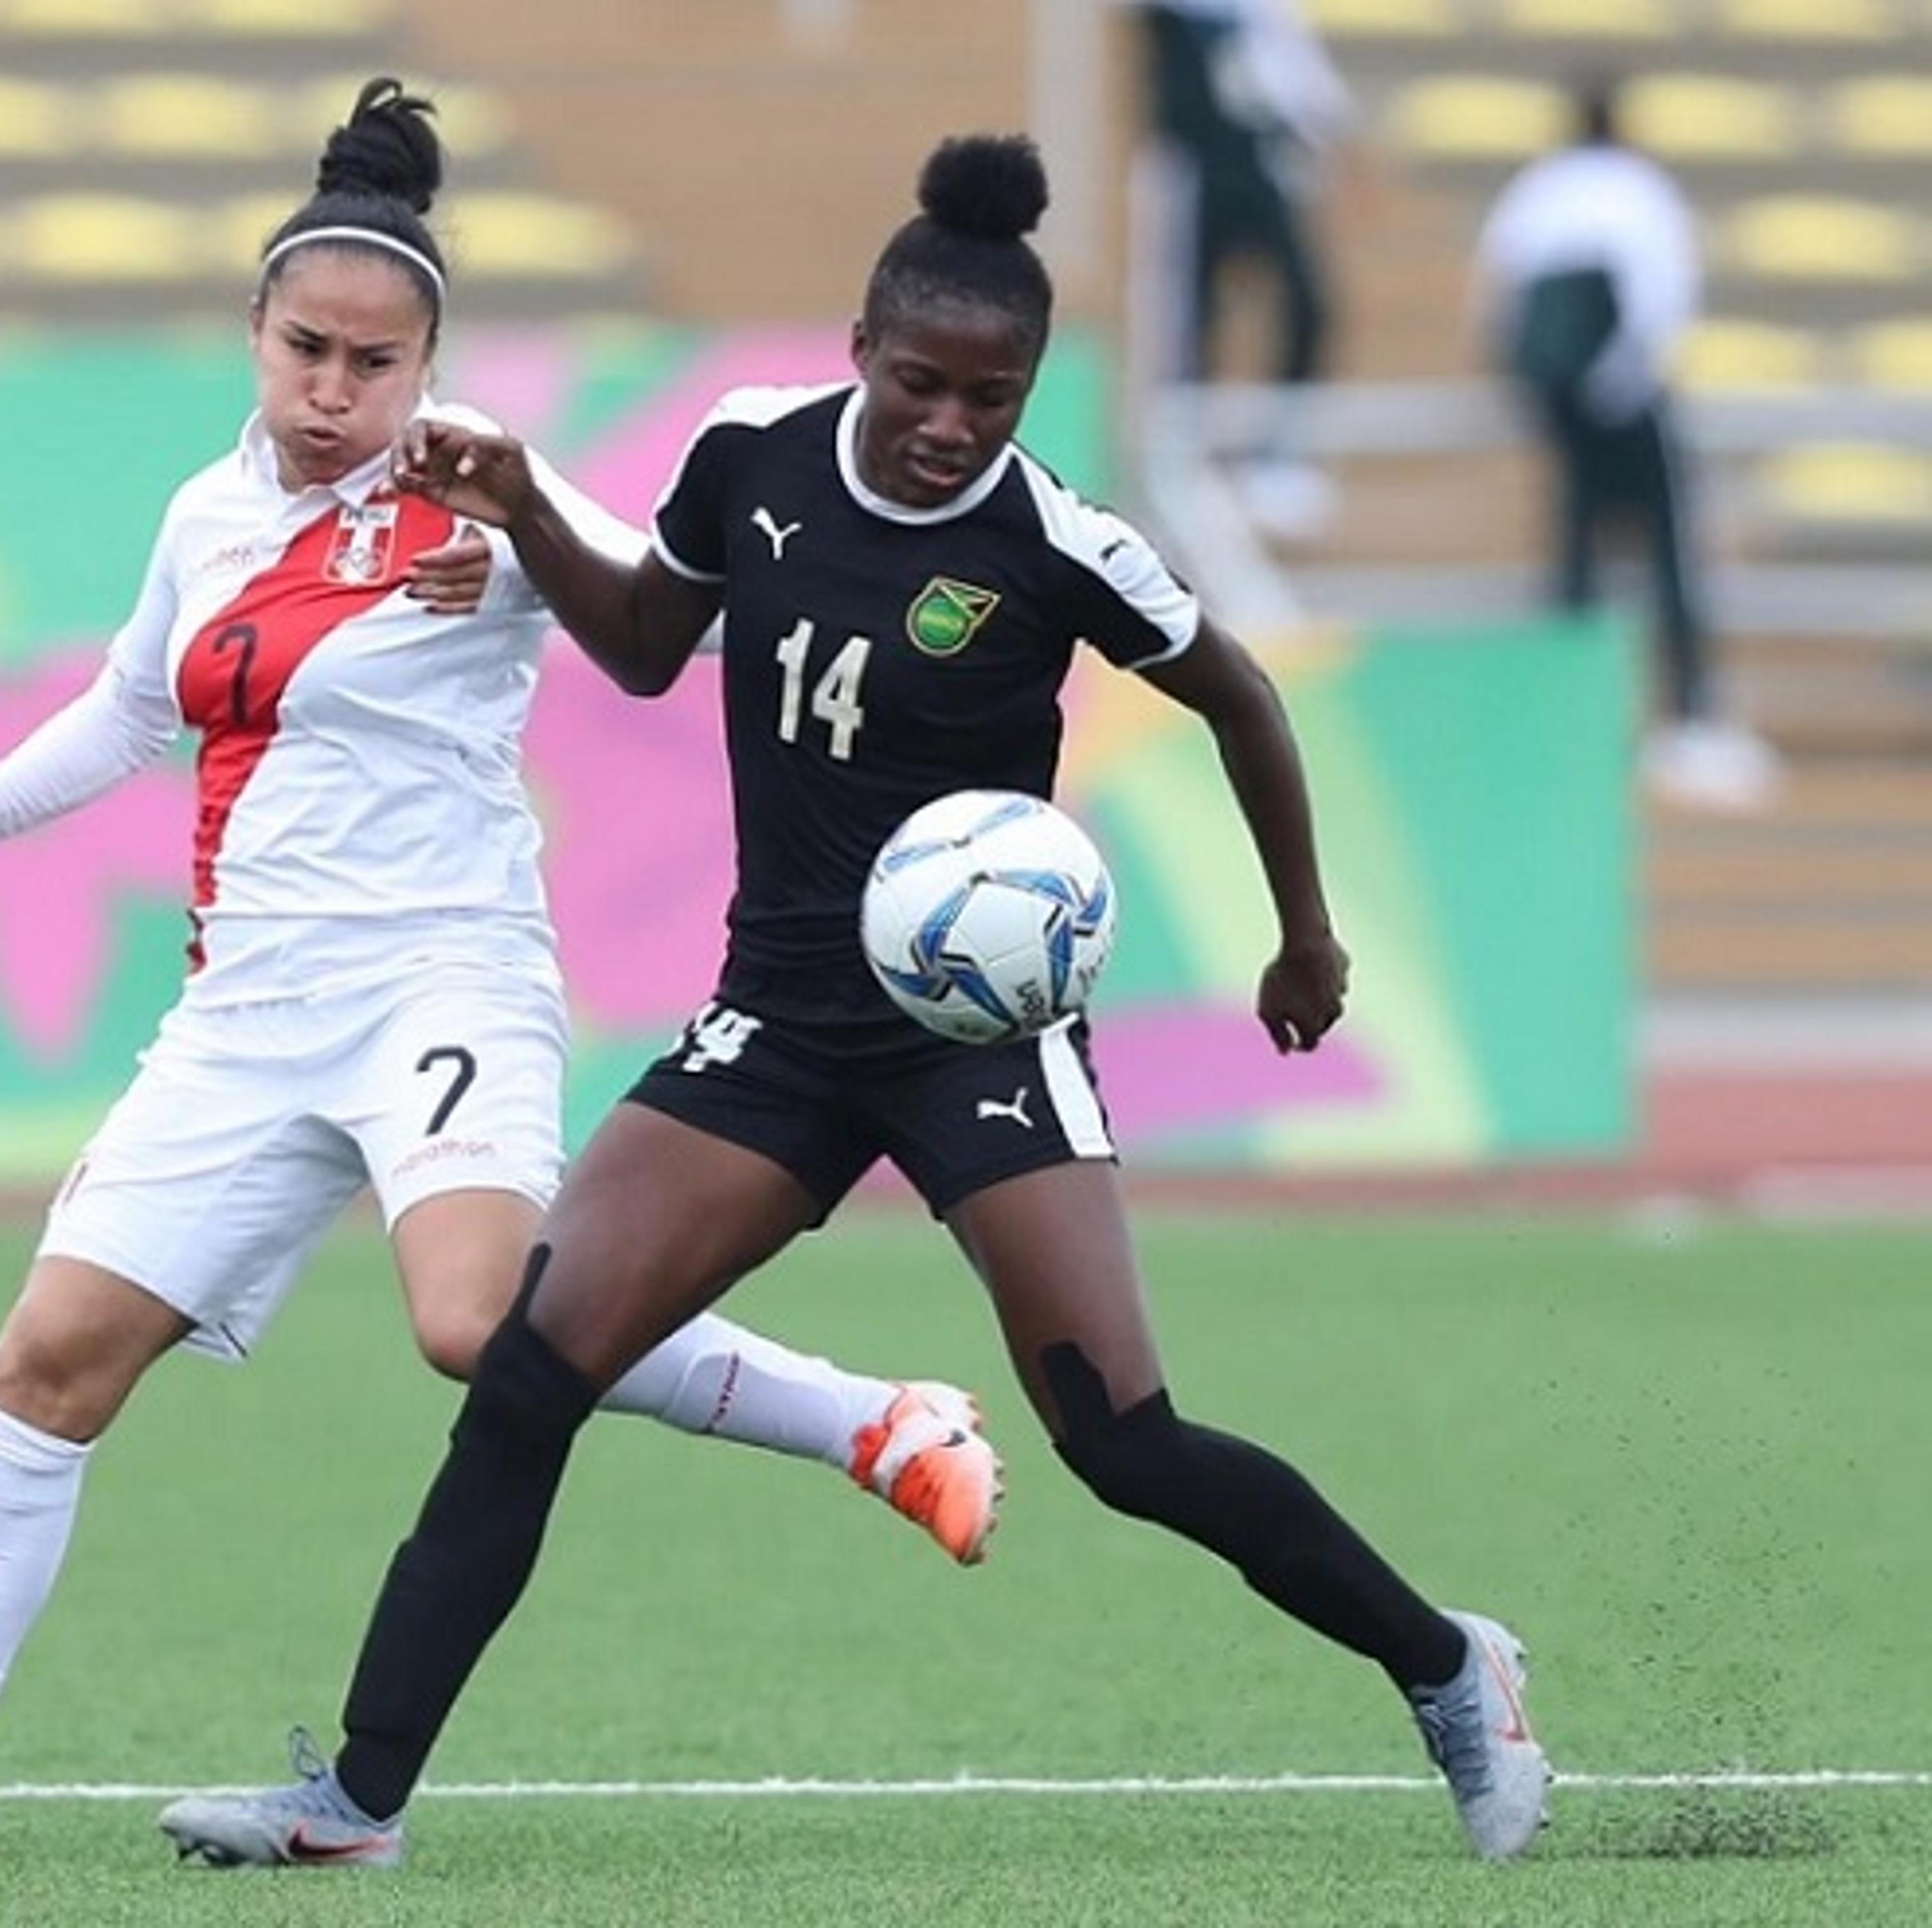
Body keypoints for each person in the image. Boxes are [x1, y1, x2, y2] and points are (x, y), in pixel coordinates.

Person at [159, 130, 1550, 1873]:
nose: (951, 423)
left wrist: (1305, 938)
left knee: (1120, 1440)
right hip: (779, 1023)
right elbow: (652, 641)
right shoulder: (749, 453)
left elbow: (1247, 698)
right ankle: (350, 1803)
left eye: (993, 394)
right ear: (860, 350)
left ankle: (1449, 1669)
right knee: (525, 1374)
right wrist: (520, 512)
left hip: (980, 1038)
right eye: (921, 382)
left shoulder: (1055, 540)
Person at [0, 80, 1002, 1868]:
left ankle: (870, 1419)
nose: (334, 391)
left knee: (476, 1324)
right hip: (246, 1007)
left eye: (372, 363)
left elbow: (667, 606)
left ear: (428, 364)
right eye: (306, 349)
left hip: (442, 978)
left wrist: (528, 545)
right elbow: (125, 707)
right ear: (255, 333)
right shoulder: (203, 516)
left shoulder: (482, 484)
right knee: (45, 1364)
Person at [1475, 77, 1777, 813]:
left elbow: (1495, 292)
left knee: (1578, 550)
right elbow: (1662, 292)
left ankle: (1568, 718)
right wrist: (1625, 376)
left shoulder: (1536, 188)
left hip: (1559, 394)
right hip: (1625, 391)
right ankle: (1691, 714)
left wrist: (1536, 388)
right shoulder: (1641, 190)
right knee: (1667, 548)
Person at [1136, 0, 1353, 537]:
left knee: (1309, 304)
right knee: (1189, 314)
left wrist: (1317, 135)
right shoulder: (1174, 20)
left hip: (1258, 163)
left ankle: (1280, 450)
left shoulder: (1266, 16)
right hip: (1194, 170)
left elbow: (1310, 87)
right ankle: (1183, 452)